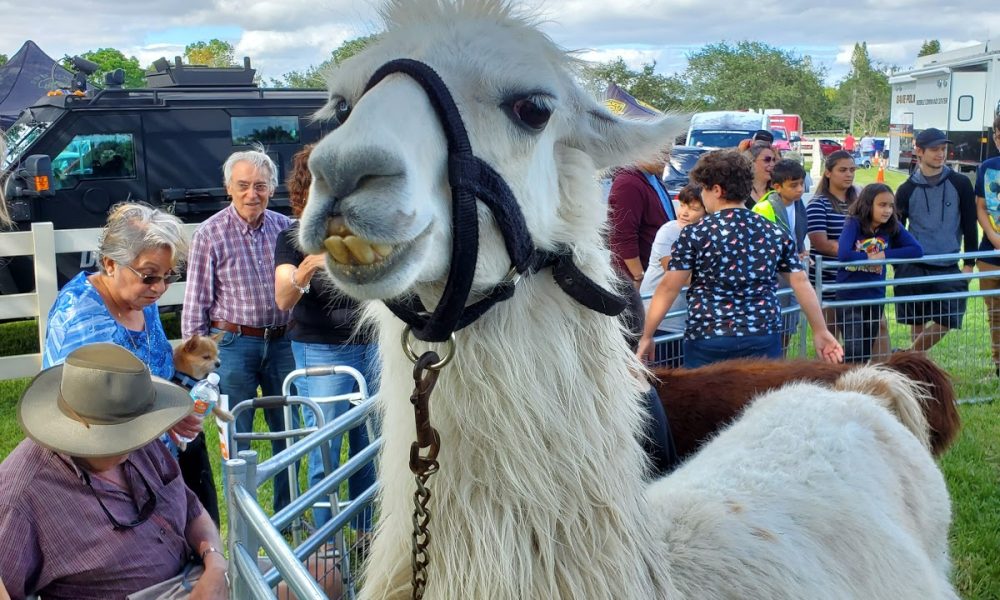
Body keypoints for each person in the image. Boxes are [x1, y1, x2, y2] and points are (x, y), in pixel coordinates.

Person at [0, 343, 228, 600]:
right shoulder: (20, 495)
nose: (137, 442)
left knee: (281, 578)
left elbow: (191, 509)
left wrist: (216, 566)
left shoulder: (138, 432)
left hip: (200, 572)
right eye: (121, 437)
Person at [40, 202, 219, 525]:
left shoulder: (137, 298)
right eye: (150, 277)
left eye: (168, 276)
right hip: (108, 479)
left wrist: (175, 415)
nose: (160, 288)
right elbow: (89, 420)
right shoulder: (82, 318)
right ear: (111, 263)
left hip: (156, 457)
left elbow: (154, 372)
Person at [636, 150, 843, 368]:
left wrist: (648, 335)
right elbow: (800, 282)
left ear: (716, 190)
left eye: (704, 189)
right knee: (762, 400)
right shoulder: (774, 232)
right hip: (763, 335)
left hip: (708, 336)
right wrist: (820, 331)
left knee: (708, 400)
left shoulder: (695, 233)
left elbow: (669, 287)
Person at [182, 147, 297, 513]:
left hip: (283, 342)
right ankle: (245, 517)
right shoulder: (210, 233)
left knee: (288, 432)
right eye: (243, 185)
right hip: (232, 344)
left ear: (272, 189)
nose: (252, 194)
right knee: (237, 436)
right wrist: (195, 366)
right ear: (228, 188)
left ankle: (287, 513)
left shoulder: (286, 229)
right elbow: (195, 301)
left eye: (260, 186)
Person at [274, 144, 378, 533]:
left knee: (369, 448)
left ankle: (365, 537)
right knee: (325, 452)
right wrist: (307, 269)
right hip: (321, 350)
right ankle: (327, 545)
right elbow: (283, 298)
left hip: (372, 346)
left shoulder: (363, 231)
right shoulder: (292, 237)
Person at [894, 127, 979, 352]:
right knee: (917, 322)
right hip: (914, 266)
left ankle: (907, 357)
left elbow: (970, 224)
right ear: (919, 151)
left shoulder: (960, 183)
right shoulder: (906, 189)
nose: (940, 154)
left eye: (943, 149)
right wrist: (898, 264)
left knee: (949, 319)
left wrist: (969, 264)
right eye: (934, 149)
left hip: (948, 264)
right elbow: (897, 229)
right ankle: (917, 374)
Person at [837, 184, 923, 363]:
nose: (887, 210)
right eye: (882, 205)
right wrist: (869, 257)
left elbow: (916, 250)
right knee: (855, 351)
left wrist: (884, 254)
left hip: (875, 297)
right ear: (868, 204)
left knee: (866, 350)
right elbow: (843, 254)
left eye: (891, 206)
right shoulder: (853, 223)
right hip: (850, 297)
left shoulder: (892, 226)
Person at [639, 184, 706, 368]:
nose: (684, 212)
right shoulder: (670, 230)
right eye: (683, 205)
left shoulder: (706, 235)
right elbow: (679, 276)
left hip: (686, 322)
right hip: (661, 321)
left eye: (694, 209)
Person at [752, 159, 808, 347]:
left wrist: (800, 251)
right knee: (775, 324)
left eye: (802, 183)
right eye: (794, 185)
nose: (800, 189)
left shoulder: (799, 206)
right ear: (777, 186)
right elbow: (759, 244)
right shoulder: (763, 208)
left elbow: (797, 237)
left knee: (789, 324)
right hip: (773, 275)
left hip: (790, 273)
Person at [806, 150, 859, 338]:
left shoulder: (859, 203)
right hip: (827, 280)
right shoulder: (818, 204)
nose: (849, 174)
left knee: (873, 329)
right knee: (831, 332)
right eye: (843, 170)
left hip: (856, 278)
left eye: (852, 169)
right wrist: (859, 252)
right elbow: (821, 243)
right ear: (828, 172)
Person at [607, 156, 675, 287]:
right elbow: (622, 236)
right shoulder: (628, 183)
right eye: (662, 153)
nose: (666, 159)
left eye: (668, 153)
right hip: (635, 281)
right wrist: (638, 277)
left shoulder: (652, 177)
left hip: (657, 274)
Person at [975, 114, 1000, 378]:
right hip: (990, 254)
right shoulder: (988, 166)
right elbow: (980, 207)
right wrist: (993, 237)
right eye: (998, 134)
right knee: (995, 313)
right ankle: (998, 363)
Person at [745, 140, 777, 208]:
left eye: (774, 160)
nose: (772, 164)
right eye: (767, 160)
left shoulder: (776, 192)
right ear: (752, 162)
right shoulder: (741, 192)